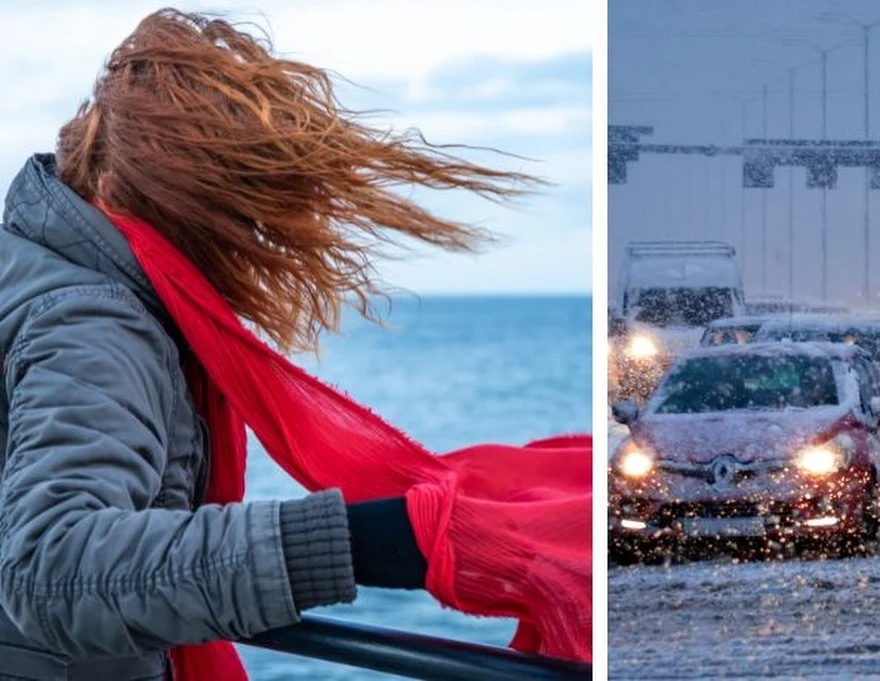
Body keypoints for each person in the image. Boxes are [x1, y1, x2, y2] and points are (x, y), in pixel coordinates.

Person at [0, 8, 591, 681]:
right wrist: (368, 539)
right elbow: (52, 565)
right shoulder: (91, 319)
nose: (242, 258)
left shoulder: (26, 270)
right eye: (228, 226)